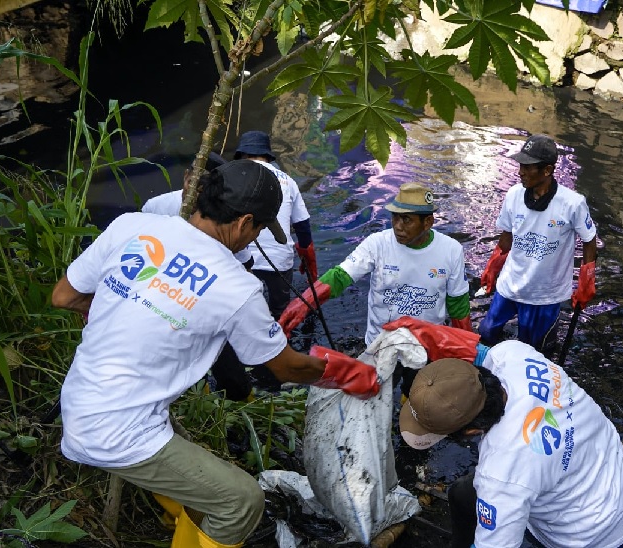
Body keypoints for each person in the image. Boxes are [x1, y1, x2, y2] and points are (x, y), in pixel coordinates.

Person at [51, 160, 379, 548]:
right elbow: (286, 367)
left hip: (80, 398)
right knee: (241, 501)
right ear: (243, 223)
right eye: (258, 229)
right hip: (116, 432)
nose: (254, 238)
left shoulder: (132, 226)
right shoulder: (236, 286)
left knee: (196, 476)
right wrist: (344, 372)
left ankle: (182, 521)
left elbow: (64, 296)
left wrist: (130, 304)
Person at [384, 317, 623, 548]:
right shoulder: (513, 354)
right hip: (609, 476)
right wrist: (434, 335)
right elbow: (481, 353)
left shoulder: (502, 474)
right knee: (462, 494)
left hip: (589, 537)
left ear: (472, 430)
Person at [278, 182, 472, 350]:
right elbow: (340, 276)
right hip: (380, 344)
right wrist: (304, 303)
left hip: (426, 346)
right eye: (395, 217)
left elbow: (459, 308)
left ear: (428, 222)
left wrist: (467, 351)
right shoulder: (377, 243)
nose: (398, 226)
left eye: (407, 219)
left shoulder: (451, 250)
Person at [141, 151, 255, 400]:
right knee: (183, 374)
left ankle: (241, 401)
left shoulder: (224, 221)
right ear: (186, 177)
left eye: (205, 190)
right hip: (162, 302)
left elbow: (244, 265)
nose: (195, 196)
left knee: (231, 373)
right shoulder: (157, 208)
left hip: (205, 308)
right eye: (192, 184)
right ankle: (197, 403)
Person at [478, 134, 597, 351]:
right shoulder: (514, 195)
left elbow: (589, 241)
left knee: (535, 349)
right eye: (520, 165)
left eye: (527, 166)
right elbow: (507, 236)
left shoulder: (572, 203)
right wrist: (494, 264)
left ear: (547, 170)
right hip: (510, 285)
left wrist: (586, 279)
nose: (520, 172)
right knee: (486, 335)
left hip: (545, 294)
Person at [234, 130, 317, 319]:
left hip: (242, 260)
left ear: (243, 155)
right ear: (268, 157)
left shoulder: (235, 177)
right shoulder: (288, 181)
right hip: (280, 260)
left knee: (245, 312)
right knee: (281, 312)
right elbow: (303, 225)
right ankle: (282, 342)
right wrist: (306, 255)